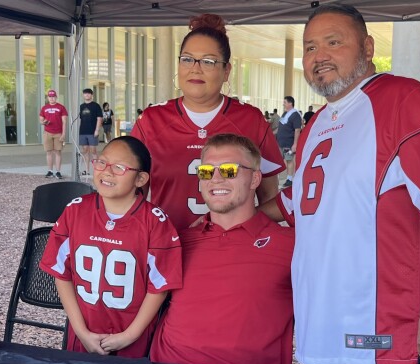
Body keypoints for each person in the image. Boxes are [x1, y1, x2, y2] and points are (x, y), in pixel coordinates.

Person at [260, 4, 420, 364]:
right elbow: (296, 202)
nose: (319, 57)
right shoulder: (316, 122)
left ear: (367, 47)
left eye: (334, 42)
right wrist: (224, 210)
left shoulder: (407, 101)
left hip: (381, 330)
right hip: (321, 326)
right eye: (310, 47)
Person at [150, 134, 294, 364]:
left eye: (229, 170)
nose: (216, 178)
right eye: (206, 171)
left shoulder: (291, 245)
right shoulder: (178, 241)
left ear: (255, 179)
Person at [130, 13, 284, 231]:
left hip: (231, 249)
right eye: (187, 59)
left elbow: (269, 194)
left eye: (208, 61)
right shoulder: (151, 120)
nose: (195, 68)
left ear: (226, 71)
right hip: (167, 246)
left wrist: (238, 226)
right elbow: (134, 195)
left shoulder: (251, 120)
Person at [40, 137, 183, 358]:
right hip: (82, 333)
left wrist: (129, 335)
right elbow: (62, 273)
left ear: (141, 178)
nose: (107, 172)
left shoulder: (155, 222)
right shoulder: (75, 211)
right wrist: (81, 331)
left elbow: (159, 286)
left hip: (134, 340)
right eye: (102, 163)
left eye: (119, 167)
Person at [40, 89, 68, 179]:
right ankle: (50, 171)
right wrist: (44, 122)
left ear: (56, 97)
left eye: (53, 97)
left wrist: (63, 134)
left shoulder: (61, 107)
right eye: (50, 97)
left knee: (58, 152)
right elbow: (41, 119)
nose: (51, 98)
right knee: (48, 152)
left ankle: (58, 171)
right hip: (48, 132)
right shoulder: (44, 108)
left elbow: (64, 121)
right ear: (48, 98)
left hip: (58, 133)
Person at [276, 96, 302, 187]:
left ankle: (289, 179)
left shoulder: (295, 115)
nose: (283, 104)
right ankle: (284, 178)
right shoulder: (284, 114)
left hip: (288, 143)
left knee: (289, 160)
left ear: (290, 103)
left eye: (285, 102)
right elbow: (280, 126)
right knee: (283, 161)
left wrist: (295, 144)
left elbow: (297, 130)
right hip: (281, 142)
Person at [78, 88, 104, 176]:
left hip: (92, 131)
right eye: (85, 94)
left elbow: (99, 118)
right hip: (83, 131)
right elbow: (81, 119)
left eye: (88, 94)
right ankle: (87, 170)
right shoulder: (81, 106)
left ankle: (96, 170)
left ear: (91, 95)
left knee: (93, 151)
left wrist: (97, 130)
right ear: (83, 95)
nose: (87, 95)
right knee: (85, 151)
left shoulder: (96, 106)